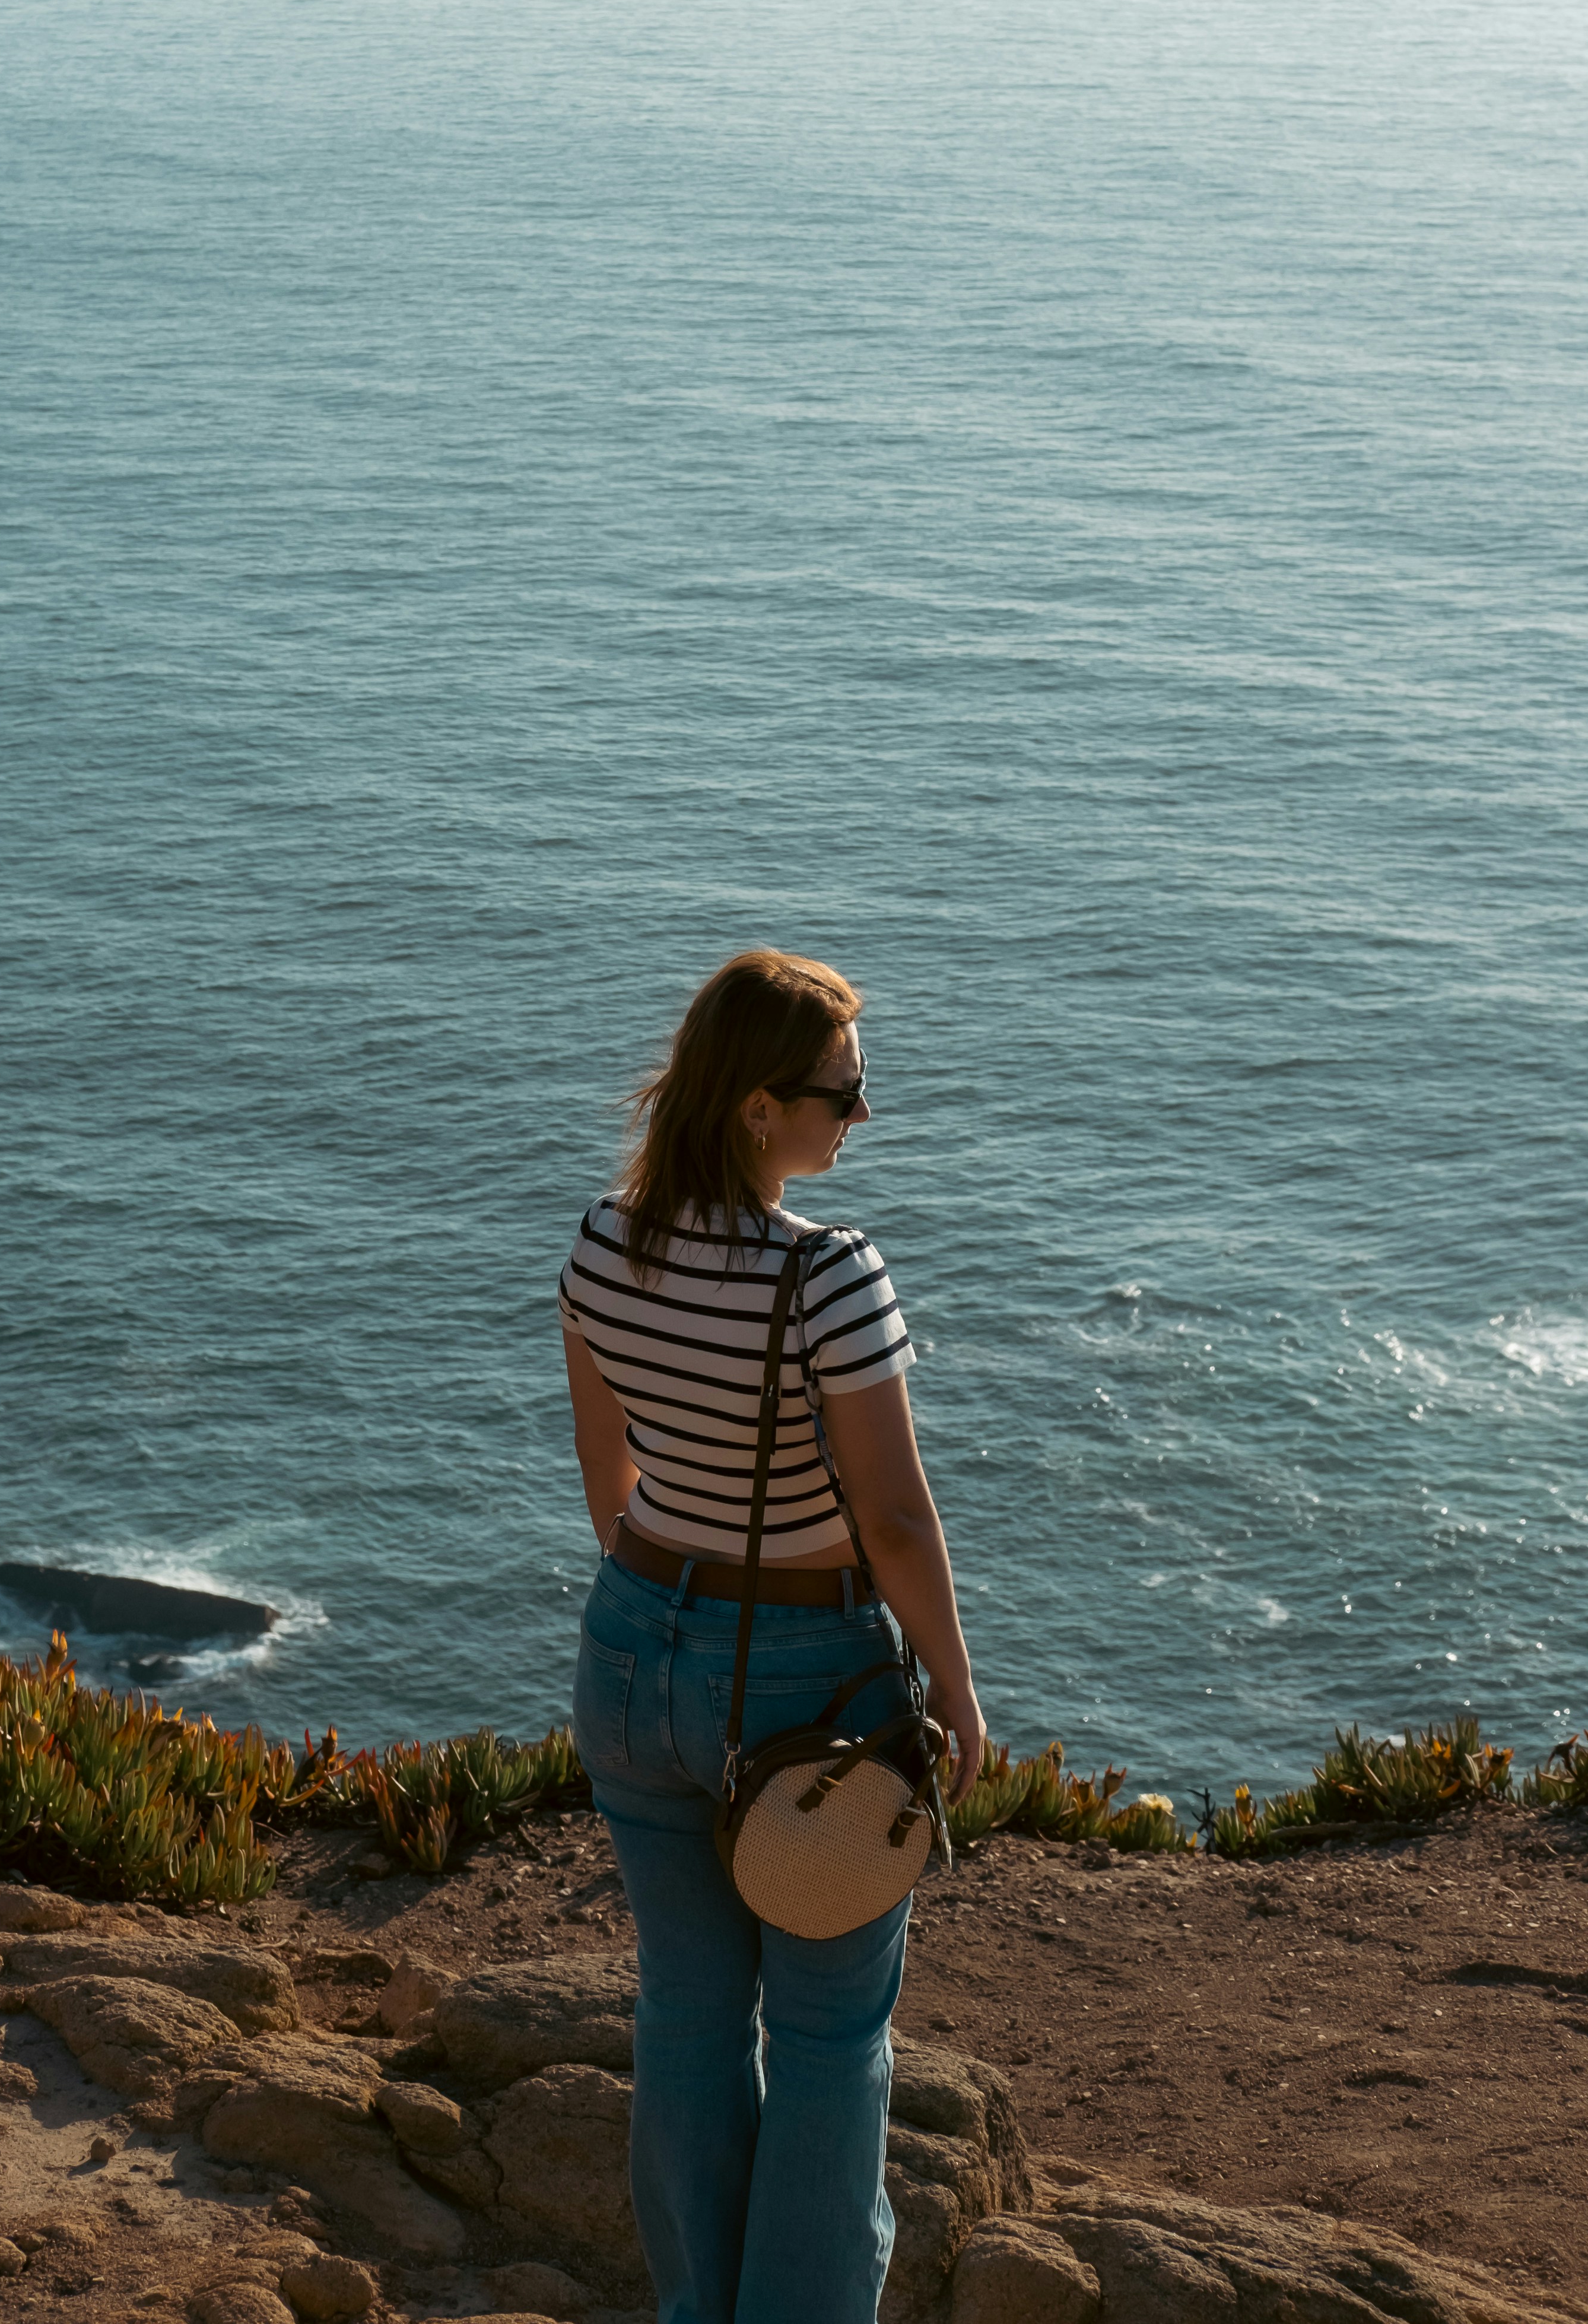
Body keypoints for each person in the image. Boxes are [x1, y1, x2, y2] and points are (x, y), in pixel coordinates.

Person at [560, 947, 986, 2324]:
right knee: (824, 2036)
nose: (858, 1120)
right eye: (841, 1097)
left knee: (685, 2015)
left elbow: (605, 1486)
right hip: (804, 1677)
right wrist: (962, 1693)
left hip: (630, 1648)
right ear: (758, 1105)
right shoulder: (829, 1280)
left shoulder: (602, 1240)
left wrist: (669, 1613)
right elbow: (898, 1523)